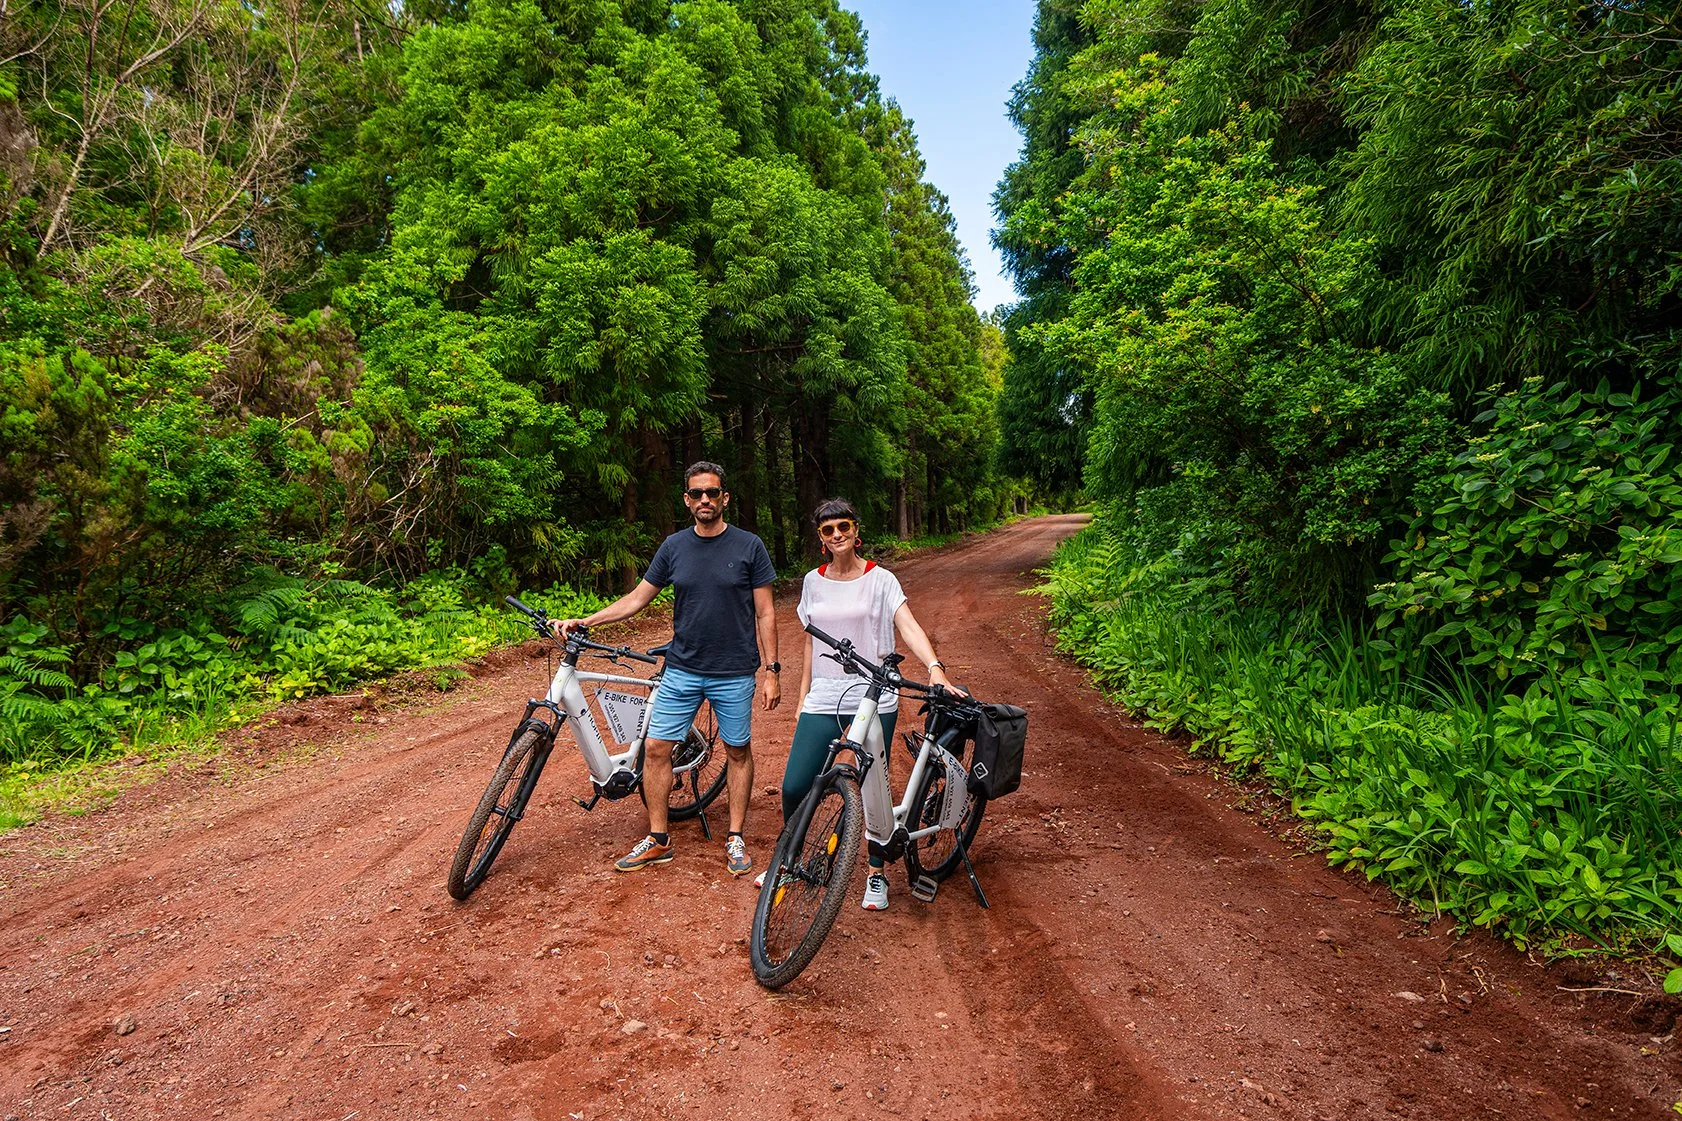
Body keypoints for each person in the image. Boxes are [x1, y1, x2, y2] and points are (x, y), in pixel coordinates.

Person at [554, 462, 779, 876]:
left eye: (712, 493)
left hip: (734, 670)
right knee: (657, 749)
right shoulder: (674, 547)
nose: (705, 500)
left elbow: (765, 613)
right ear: (687, 500)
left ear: (725, 498)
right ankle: (658, 838)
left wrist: (772, 670)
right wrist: (585, 621)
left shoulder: (750, 546)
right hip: (682, 668)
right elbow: (637, 598)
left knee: (737, 751)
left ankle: (735, 836)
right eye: (697, 494)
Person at [779, 498, 957, 911]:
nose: (837, 534)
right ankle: (793, 859)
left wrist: (934, 667)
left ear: (857, 530)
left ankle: (876, 873)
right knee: (795, 784)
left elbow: (907, 625)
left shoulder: (882, 580)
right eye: (828, 530)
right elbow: (812, 640)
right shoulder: (812, 581)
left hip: (874, 694)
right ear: (819, 537)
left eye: (844, 526)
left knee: (870, 787)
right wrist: (804, 693)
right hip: (825, 694)